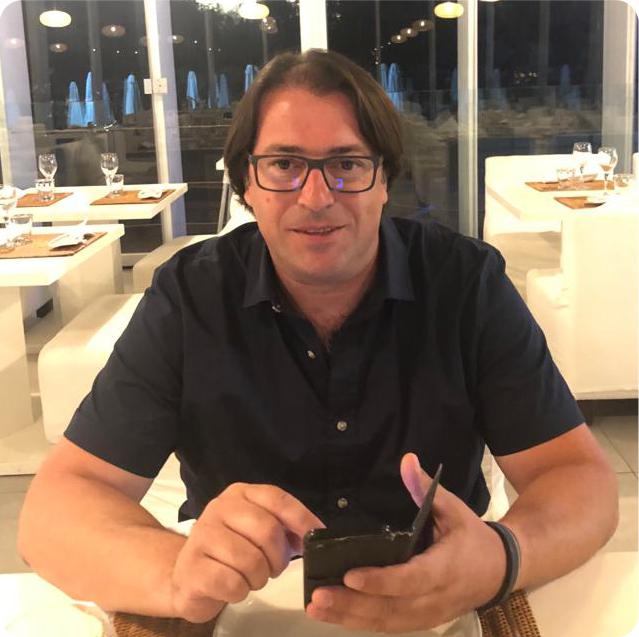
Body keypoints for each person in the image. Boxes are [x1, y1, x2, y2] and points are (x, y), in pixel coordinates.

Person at [19, 49, 617, 633]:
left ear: (385, 180)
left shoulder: (465, 285)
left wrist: (500, 557)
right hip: (244, 606)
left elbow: (576, 477)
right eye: (284, 164)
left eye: (347, 164)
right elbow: (58, 509)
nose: (316, 197)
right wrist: (179, 573)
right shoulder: (191, 296)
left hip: (443, 593)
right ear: (246, 183)